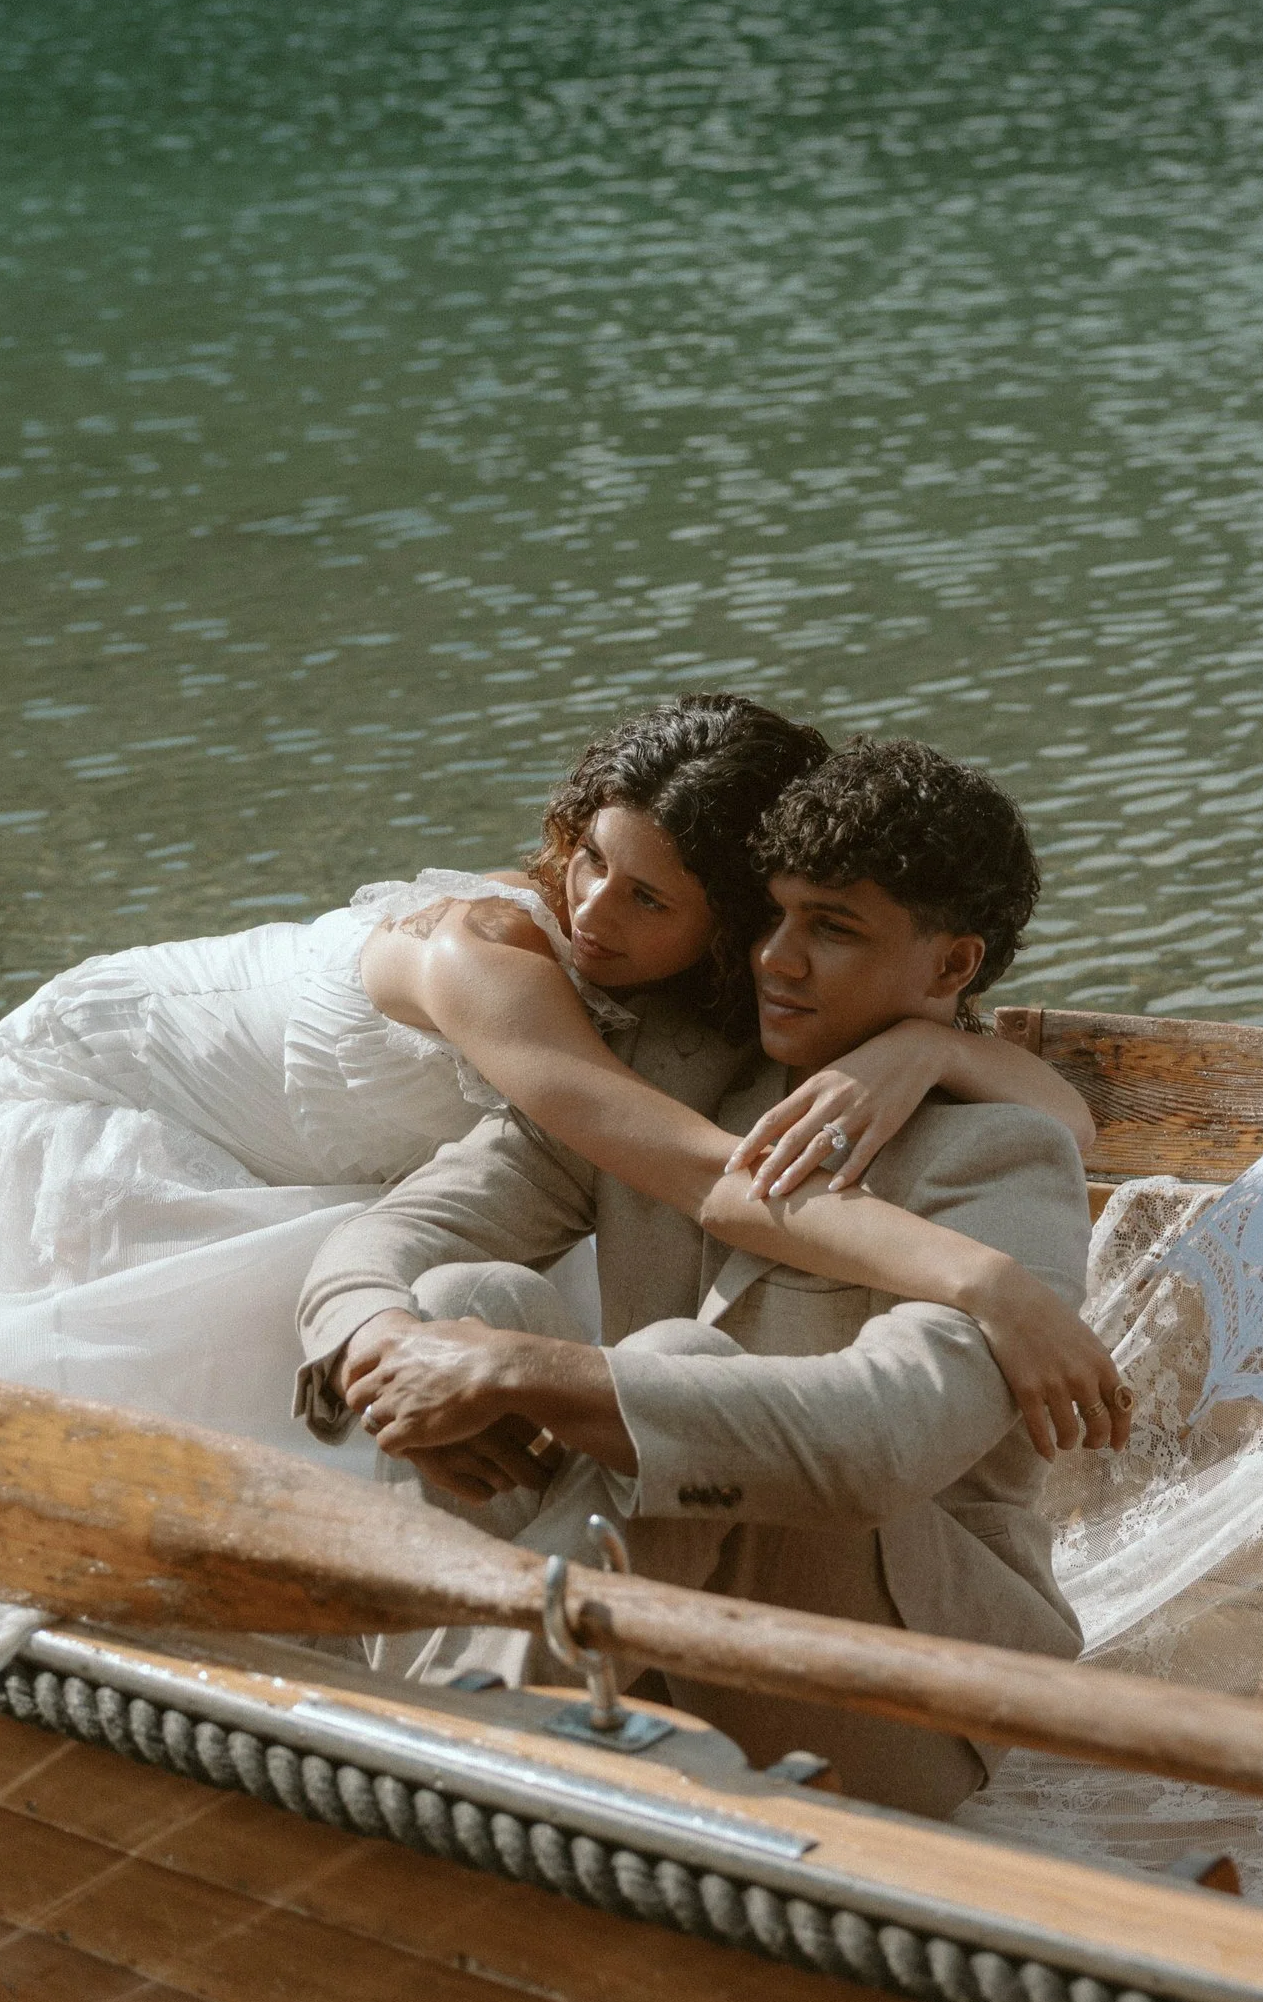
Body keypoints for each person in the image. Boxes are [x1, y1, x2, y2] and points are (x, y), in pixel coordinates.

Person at [0, 693, 1111, 1438]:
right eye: (589, 860)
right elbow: (705, 1179)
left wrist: (915, 1047)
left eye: (649, 899)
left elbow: (1066, 1118)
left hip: (320, 1157)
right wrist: (987, 1284)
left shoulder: (715, 983)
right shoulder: (490, 959)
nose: (596, 911)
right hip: (113, 1097)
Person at [303, 738, 1115, 1814]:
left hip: (899, 1688)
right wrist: (378, 1338)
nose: (776, 959)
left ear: (950, 968)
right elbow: (392, 1236)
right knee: (458, 1300)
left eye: (831, 929)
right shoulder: (665, 1078)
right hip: (644, 1637)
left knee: (664, 1362)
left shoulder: (1000, 1154)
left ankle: (438, 1755)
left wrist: (527, 1373)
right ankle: (452, 1718)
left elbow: (878, 1442)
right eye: (773, 914)